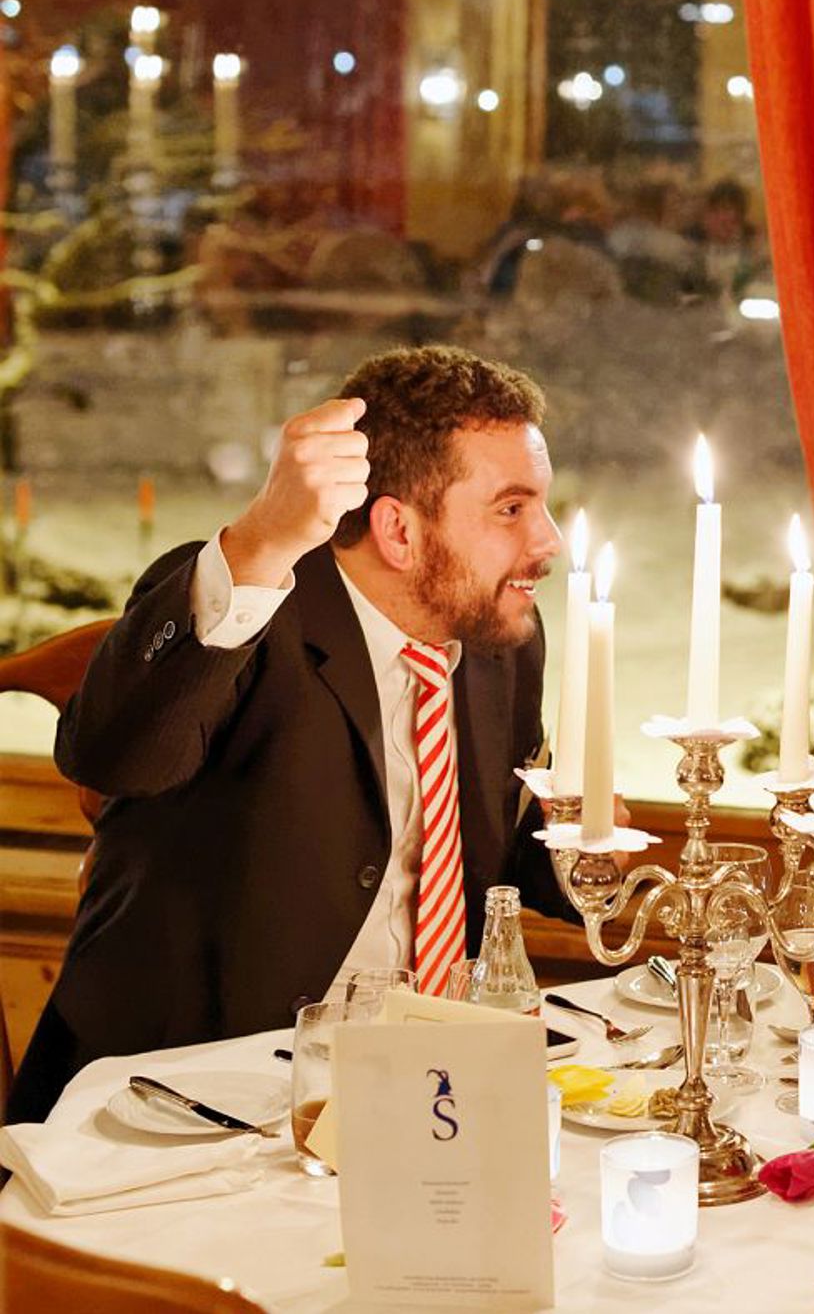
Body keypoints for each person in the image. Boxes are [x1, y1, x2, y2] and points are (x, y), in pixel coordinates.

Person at [8, 346, 572, 1125]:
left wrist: (587, 847)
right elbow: (114, 755)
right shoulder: (250, 618)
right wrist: (260, 542)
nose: (548, 540)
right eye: (511, 509)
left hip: (420, 1096)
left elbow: (488, 848)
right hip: (181, 1103)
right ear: (398, 530)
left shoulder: (497, 644)